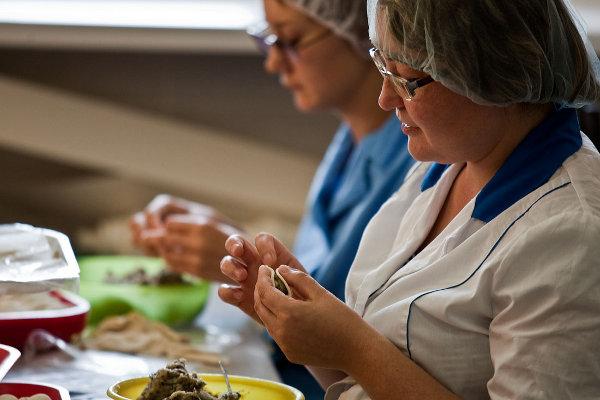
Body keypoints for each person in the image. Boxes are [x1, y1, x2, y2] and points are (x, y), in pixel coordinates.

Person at [218, 0, 600, 398]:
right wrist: (294, 314)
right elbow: (362, 385)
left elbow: (366, 360)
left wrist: (353, 347)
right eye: (382, 67)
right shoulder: (442, 168)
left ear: (491, 71)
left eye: (406, 79)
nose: (386, 98)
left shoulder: (571, 236)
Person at [130, 0, 415, 397]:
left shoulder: (415, 159)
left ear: (360, 30)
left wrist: (239, 259)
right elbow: (315, 270)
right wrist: (231, 242)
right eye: (268, 41)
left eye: (290, 40)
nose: (274, 63)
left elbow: (345, 320)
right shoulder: (351, 142)